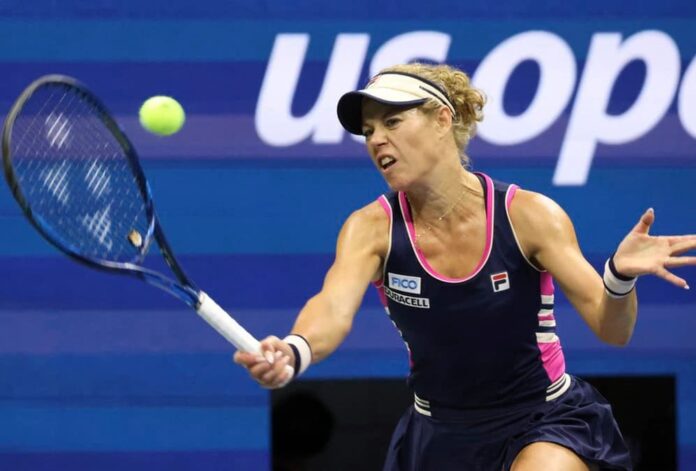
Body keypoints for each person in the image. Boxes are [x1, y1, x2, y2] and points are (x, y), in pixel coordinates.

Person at [234, 63, 696, 470]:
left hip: (544, 418)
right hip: (439, 435)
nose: (376, 139)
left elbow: (613, 330)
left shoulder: (529, 216)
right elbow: (332, 309)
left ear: (442, 119)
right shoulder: (370, 228)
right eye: (369, 130)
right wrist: (294, 349)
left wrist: (619, 277)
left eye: (392, 121)